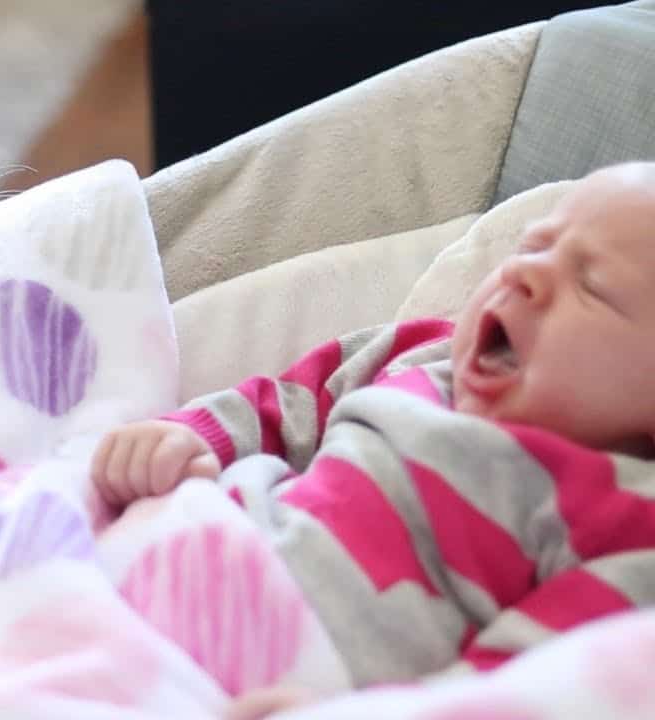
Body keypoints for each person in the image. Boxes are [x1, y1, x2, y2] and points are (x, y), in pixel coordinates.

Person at [91, 161, 655, 717]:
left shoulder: (629, 518)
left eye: (593, 287)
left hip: (299, 674)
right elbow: (289, 403)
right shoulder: (424, 351)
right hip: (194, 543)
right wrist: (190, 437)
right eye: (533, 246)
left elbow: (529, 682)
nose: (521, 275)